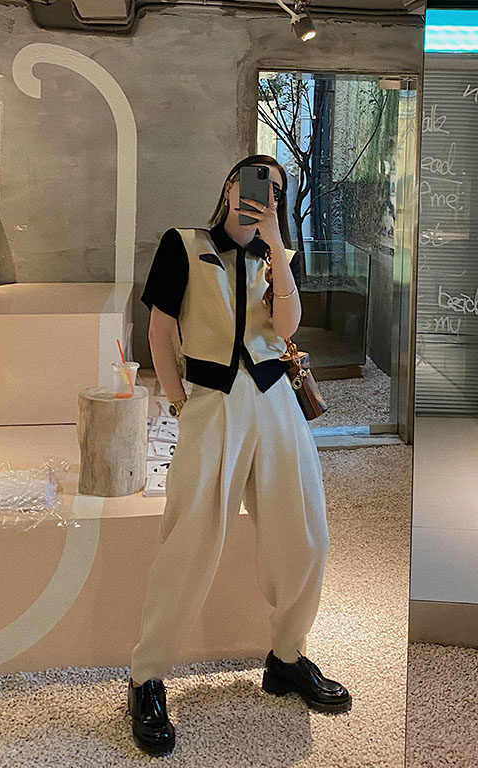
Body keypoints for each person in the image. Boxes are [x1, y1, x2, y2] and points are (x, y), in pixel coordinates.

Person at [127, 154, 351, 756]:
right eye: (254, 183)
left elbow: (286, 327)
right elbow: (159, 330)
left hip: (275, 401)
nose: (263, 195)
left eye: (275, 190)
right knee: (190, 538)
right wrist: (179, 403)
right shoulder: (182, 244)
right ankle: (147, 675)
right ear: (229, 186)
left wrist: (277, 245)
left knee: (306, 532)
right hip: (211, 403)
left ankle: (287, 657)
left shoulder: (278, 256)